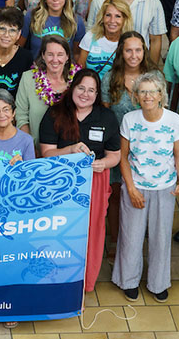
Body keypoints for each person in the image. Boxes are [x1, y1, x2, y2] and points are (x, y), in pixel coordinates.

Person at [41, 69, 122, 291]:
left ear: (97, 94)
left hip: (94, 181)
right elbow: (46, 153)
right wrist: (70, 150)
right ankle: (57, 277)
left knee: (92, 230)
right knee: (61, 231)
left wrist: (104, 163)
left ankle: (84, 282)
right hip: (59, 183)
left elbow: (115, 154)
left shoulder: (106, 117)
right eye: (81, 88)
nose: (85, 94)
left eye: (92, 90)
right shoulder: (55, 113)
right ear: (73, 88)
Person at [114, 70, 179, 302]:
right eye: (142, 92)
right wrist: (132, 189)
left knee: (161, 237)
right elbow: (123, 158)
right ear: (136, 96)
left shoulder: (174, 121)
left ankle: (158, 283)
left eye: (152, 92)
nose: (147, 96)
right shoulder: (130, 120)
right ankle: (128, 281)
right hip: (135, 186)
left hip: (164, 188)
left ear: (161, 95)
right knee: (131, 236)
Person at [106, 31, 154, 249]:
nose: (134, 55)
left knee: (142, 194)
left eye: (138, 50)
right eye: (128, 50)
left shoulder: (154, 78)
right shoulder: (109, 78)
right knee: (116, 195)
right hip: (118, 147)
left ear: (144, 51)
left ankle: (138, 240)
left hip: (147, 148)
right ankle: (116, 241)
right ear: (121, 52)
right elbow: (105, 115)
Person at [16, 35, 78, 155]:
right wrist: (30, 148)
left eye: (60, 54)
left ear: (67, 57)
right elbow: (21, 116)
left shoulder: (77, 80)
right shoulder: (29, 78)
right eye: (50, 54)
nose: (55, 60)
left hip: (72, 152)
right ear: (43, 56)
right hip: (37, 152)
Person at [21, 0, 86, 58]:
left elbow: (77, 54)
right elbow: (19, 47)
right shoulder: (31, 17)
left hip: (64, 69)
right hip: (35, 69)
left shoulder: (76, 21)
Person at [77, 0, 131, 78]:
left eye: (118, 16)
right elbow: (80, 68)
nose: (112, 21)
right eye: (108, 15)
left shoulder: (129, 42)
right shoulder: (90, 36)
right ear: (102, 17)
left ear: (125, 19)